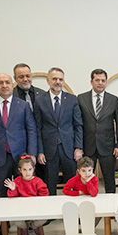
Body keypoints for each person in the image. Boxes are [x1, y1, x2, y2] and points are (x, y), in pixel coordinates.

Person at [0, 74, 38, 198]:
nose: (4, 85)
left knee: (24, 192)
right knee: (2, 193)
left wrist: (32, 153)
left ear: (12, 84)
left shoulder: (23, 105)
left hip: (22, 157)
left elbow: (31, 130)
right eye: (0, 83)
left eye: (7, 82)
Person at [35, 67, 83, 195]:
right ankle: (52, 208)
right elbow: (37, 128)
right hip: (49, 150)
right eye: (54, 79)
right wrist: (40, 151)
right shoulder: (39, 100)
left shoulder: (72, 99)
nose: (57, 82)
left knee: (72, 183)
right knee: (50, 184)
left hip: (69, 149)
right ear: (48, 81)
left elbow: (78, 125)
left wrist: (78, 148)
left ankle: (71, 207)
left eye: (60, 79)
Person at [77, 69, 118, 193]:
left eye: (103, 80)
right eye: (97, 80)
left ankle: (111, 202)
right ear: (91, 82)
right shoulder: (81, 98)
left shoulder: (113, 99)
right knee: (86, 178)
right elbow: (78, 124)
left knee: (109, 179)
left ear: (106, 82)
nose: (100, 83)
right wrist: (78, 147)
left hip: (108, 147)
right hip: (88, 146)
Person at [5, 156, 49, 235]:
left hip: (36, 209)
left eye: (30, 169)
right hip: (21, 209)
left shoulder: (38, 181)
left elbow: (44, 196)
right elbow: (12, 198)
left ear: (33, 169)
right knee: (16, 220)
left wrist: (40, 195)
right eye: (24, 170)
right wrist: (13, 189)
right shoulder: (17, 181)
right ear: (20, 170)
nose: (27, 172)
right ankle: (24, 228)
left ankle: (33, 226)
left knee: (45, 218)